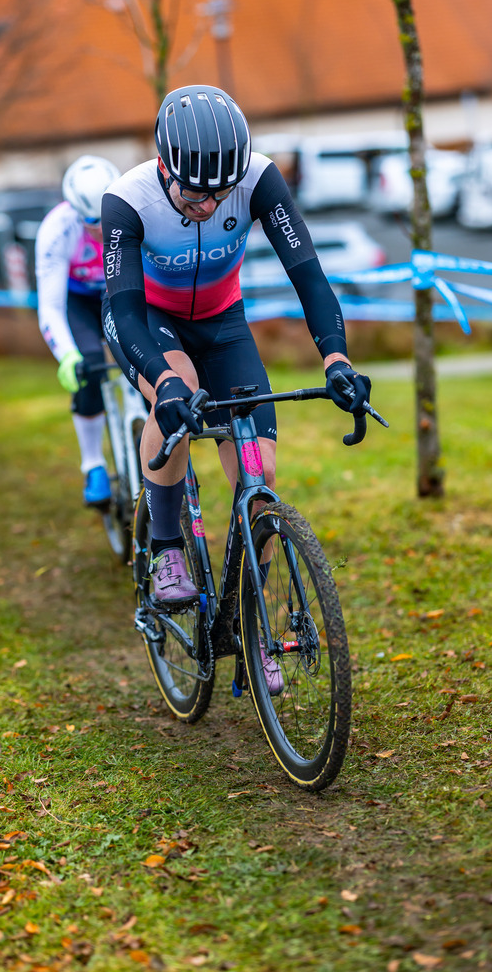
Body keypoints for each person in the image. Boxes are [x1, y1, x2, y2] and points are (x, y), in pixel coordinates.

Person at [100, 85, 372, 611]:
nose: (208, 206)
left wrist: (337, 359)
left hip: (223, 321)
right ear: (165, 167)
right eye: (194, 195)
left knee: (261, 473)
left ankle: (247, 618)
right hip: (149, 320)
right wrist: (164, 381)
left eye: (221, 194)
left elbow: (309, 278)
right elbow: (126, 312)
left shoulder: (259, 178)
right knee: (179, 390)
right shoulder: (127, 200)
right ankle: (166, 549)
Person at [36, 154, 121, 506]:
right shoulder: (56, 230)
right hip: (78, 301)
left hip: (118, 291)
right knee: (89, 365)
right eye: (91, 221)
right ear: (75, 211)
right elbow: (51, 307)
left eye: (106, 218)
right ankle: (93, 464)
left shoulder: (134, 210)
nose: (100, 229)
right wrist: (67, 355)